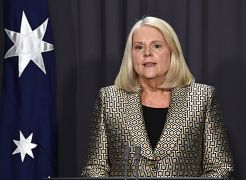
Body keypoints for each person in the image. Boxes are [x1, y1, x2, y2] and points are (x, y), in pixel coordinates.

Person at [81, 16, 234, 179]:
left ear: (172, 51)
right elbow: (95, 168)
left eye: (156, 46)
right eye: (139, 47)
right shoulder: (109, 99)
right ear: (131, 55)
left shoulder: (202, 97)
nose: (147, 53)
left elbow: (221, 168)